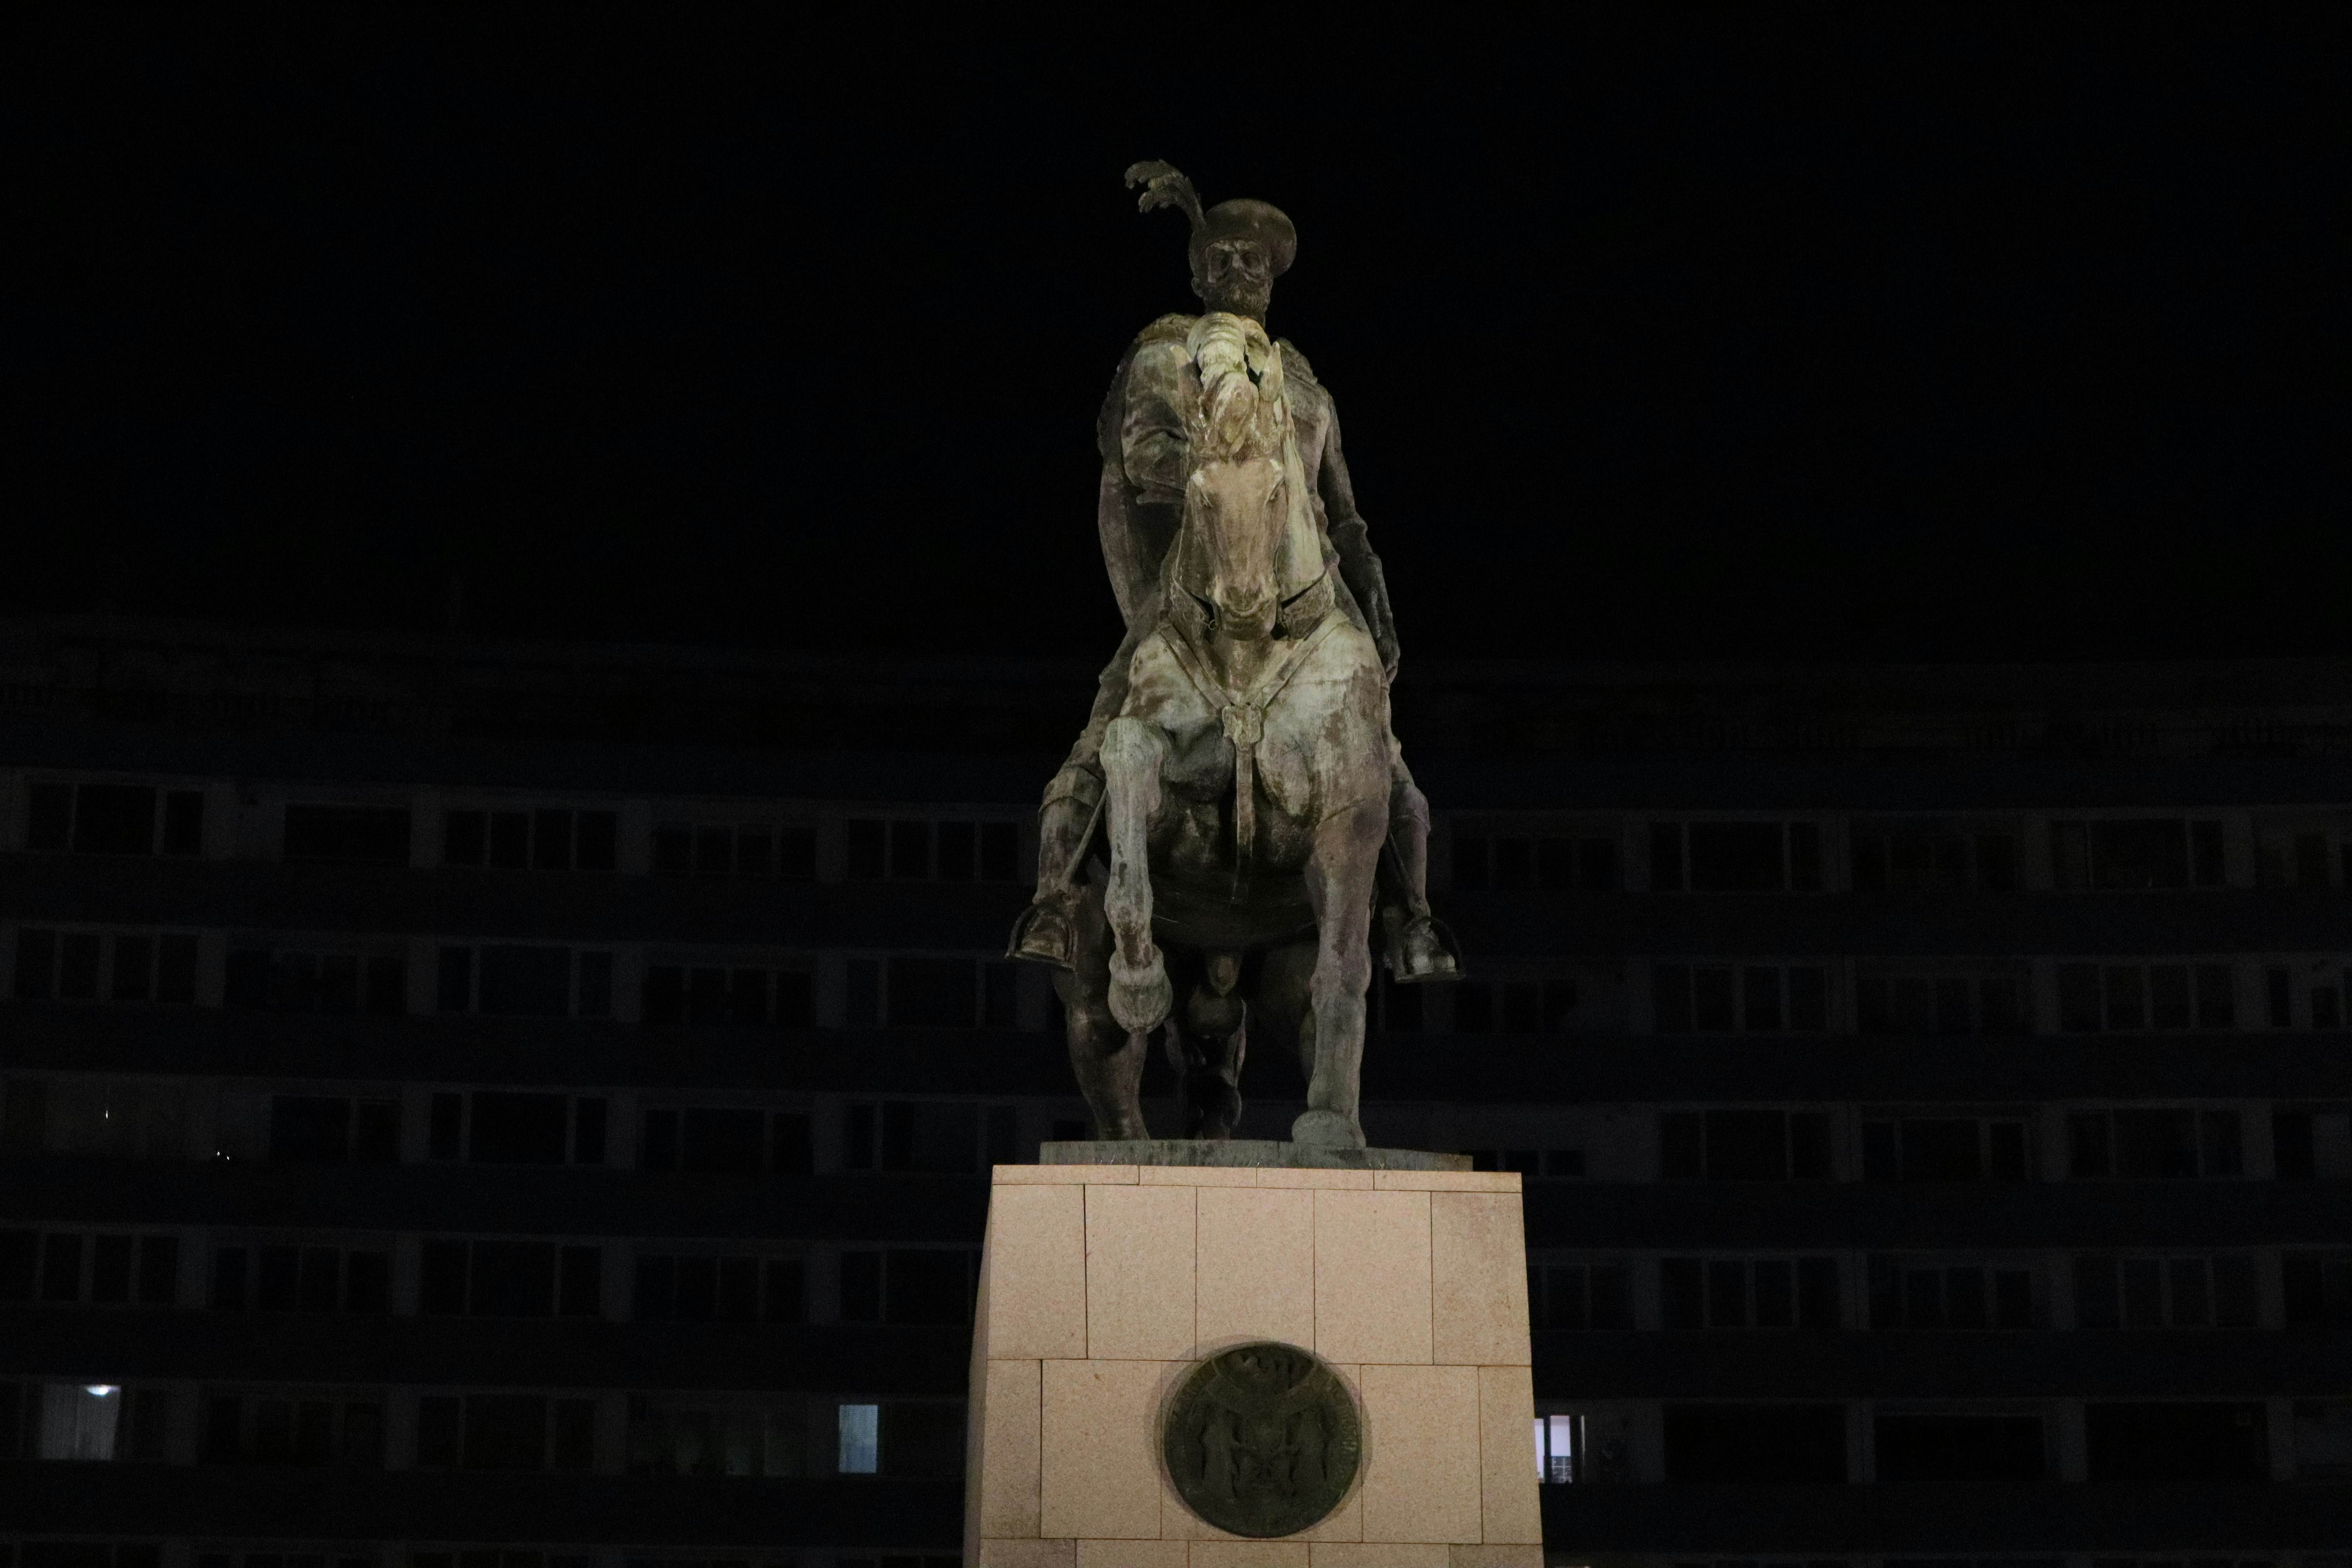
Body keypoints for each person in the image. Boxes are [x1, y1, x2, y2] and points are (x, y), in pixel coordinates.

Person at [1008, 162, 1457, 984]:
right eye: (1225, 259)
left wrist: (1379, 604)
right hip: (1202, 578)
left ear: (1275, 277)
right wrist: (1231, 484)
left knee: (1380, 746)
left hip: (1307, 593)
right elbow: (1139, 447)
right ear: (1200, 272)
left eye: (1256, 261)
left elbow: (1344, 512)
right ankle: (1058, 891)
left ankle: (1410, 914)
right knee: (1114, 707)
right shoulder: (1165, 350)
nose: (1241, 272)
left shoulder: (1308, 385)